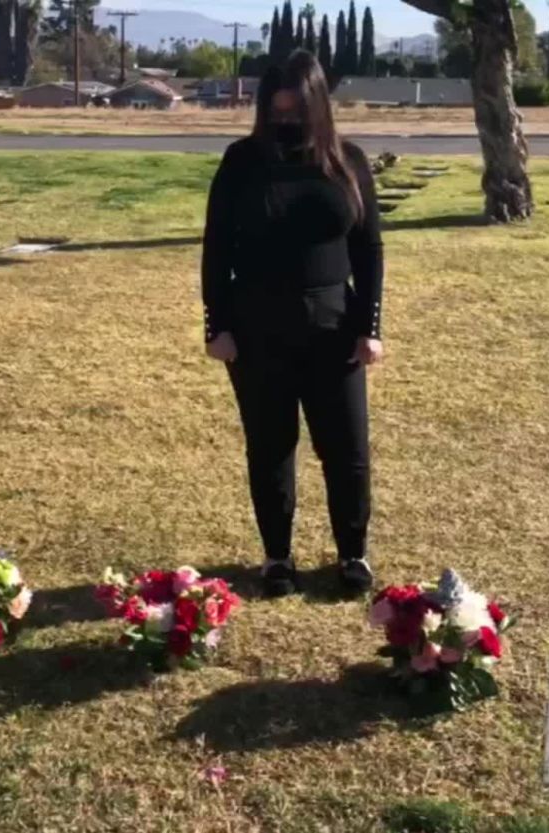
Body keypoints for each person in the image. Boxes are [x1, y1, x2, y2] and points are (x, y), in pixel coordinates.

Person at [200, 50, 385, 598]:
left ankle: (353, 553)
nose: (284, 123)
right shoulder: (241, 161)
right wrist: (218, 326)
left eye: (295, 113)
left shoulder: (348, 161)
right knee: (271, 445)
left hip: (334, 325)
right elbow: (216, 248)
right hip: (257, 327)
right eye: (275, 113)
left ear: (317, 107)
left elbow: (369, 248)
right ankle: (277, 557)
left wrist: (371, 326)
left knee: (346, 447)